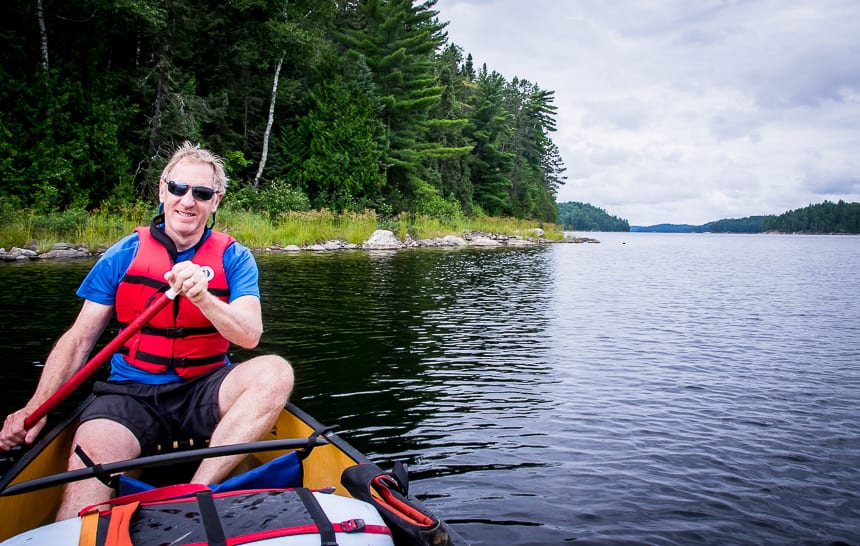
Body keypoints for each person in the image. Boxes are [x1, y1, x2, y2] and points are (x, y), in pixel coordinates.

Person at [0, 142, 294, 520]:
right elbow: (78, 340)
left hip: (203, 387)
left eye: (201, 193)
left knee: (275, 372)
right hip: (129, 395)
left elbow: (250, 335)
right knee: (86, 476)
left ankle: (196, 490)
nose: (188, 201)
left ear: (215, 201)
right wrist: (37, 407)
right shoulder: (123, 253)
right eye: (179, 189)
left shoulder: (234, 257)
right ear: (162, 190)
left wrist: (203, 298)